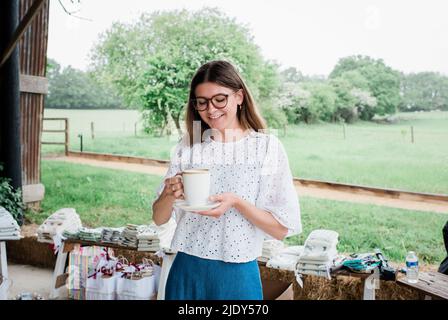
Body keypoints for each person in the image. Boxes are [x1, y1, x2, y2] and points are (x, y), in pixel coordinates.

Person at [152, 60, 302, 300]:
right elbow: (159, 218)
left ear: (239, 97)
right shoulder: (188, 147)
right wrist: (168, 194)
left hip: (237, 275)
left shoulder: (266, 147)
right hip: (186, 270)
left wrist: (236, 202)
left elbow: (281, 228)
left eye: (220, 99)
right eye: (202, 102)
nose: (211, 110)